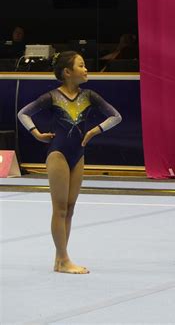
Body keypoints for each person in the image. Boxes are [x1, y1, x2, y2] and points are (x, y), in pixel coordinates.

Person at [18, 51, 122, 273]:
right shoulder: (52, 97)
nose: (86, 69)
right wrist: (36, 133)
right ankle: (63, 259)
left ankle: (60, 259)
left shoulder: (89, 95)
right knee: (60, 208)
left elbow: (116, 116)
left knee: (70, 208)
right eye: (81, 65)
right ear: (67, 72)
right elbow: (23, 113)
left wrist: (94, 131)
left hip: (78, 154)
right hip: (58, 154)